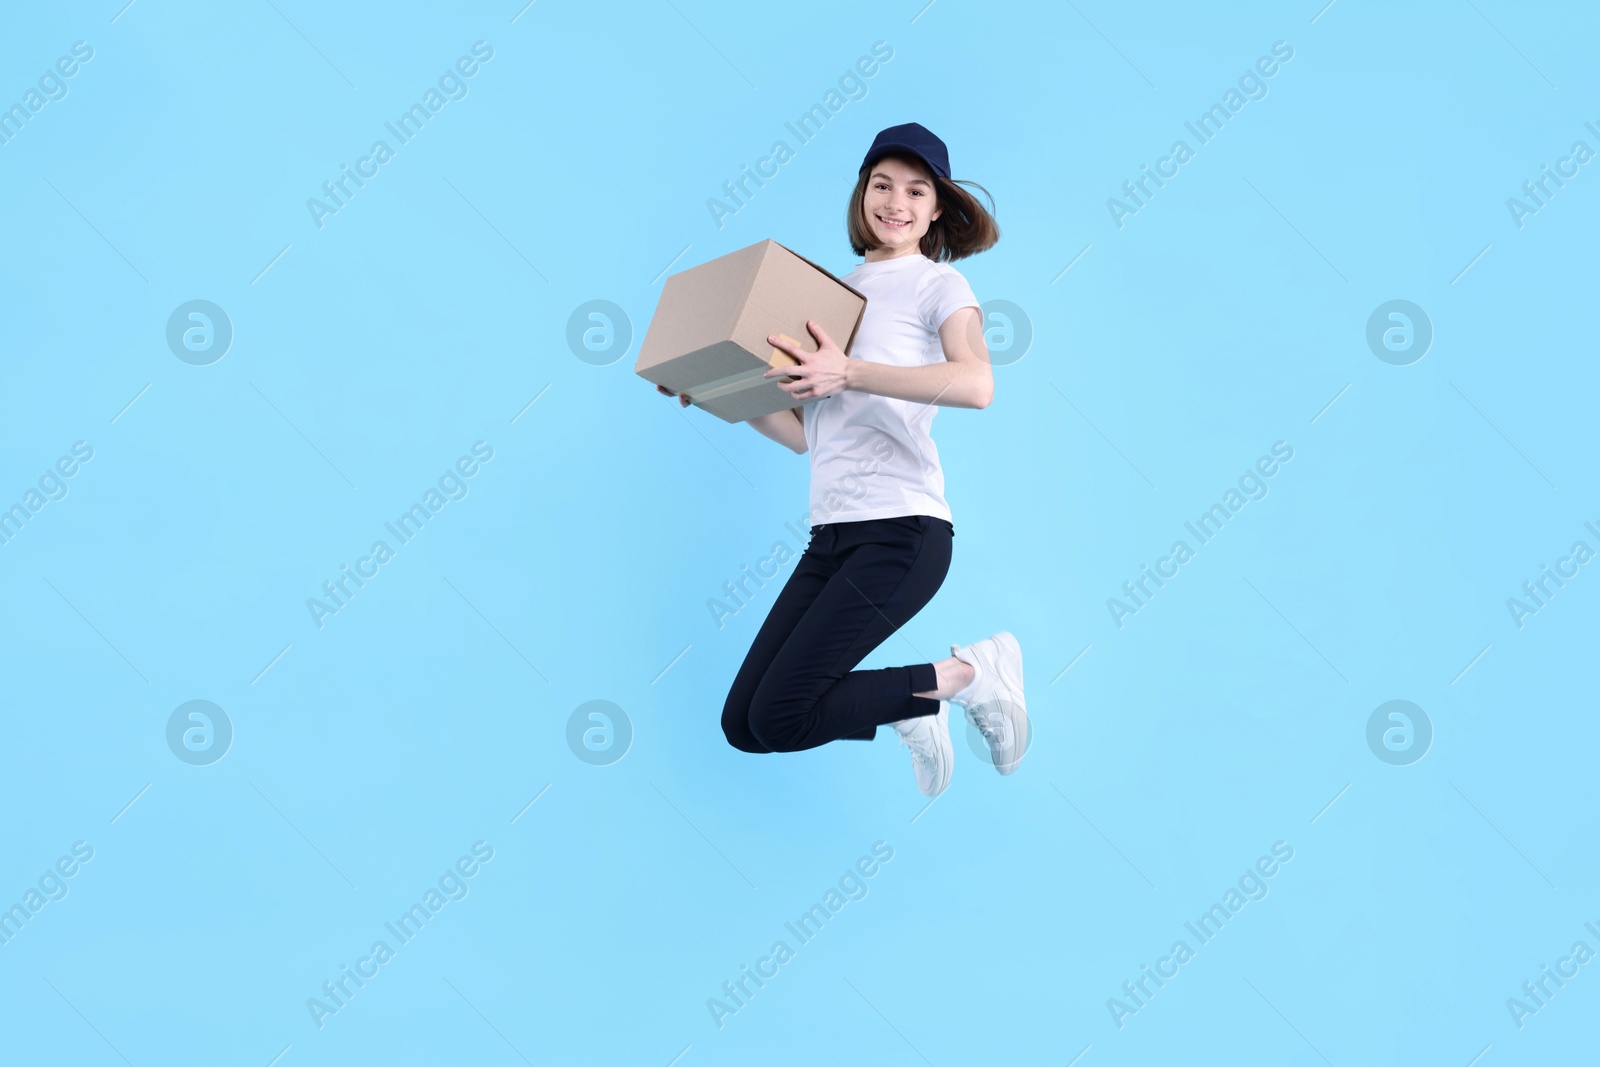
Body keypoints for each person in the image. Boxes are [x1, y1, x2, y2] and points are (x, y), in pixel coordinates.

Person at [660, 122, 1026, 797]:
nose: (897, 202)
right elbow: (809, 432)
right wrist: (711, 390)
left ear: (938, 206)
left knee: (782, 711)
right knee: (745, 723)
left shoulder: (938, 287)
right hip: (832, 536)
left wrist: (850, 371)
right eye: (883, 185)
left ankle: (967, 676)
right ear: (863, 194)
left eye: (917, 191)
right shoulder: (829, 292)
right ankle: (911, 703)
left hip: (903, 530)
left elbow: (978, 383)